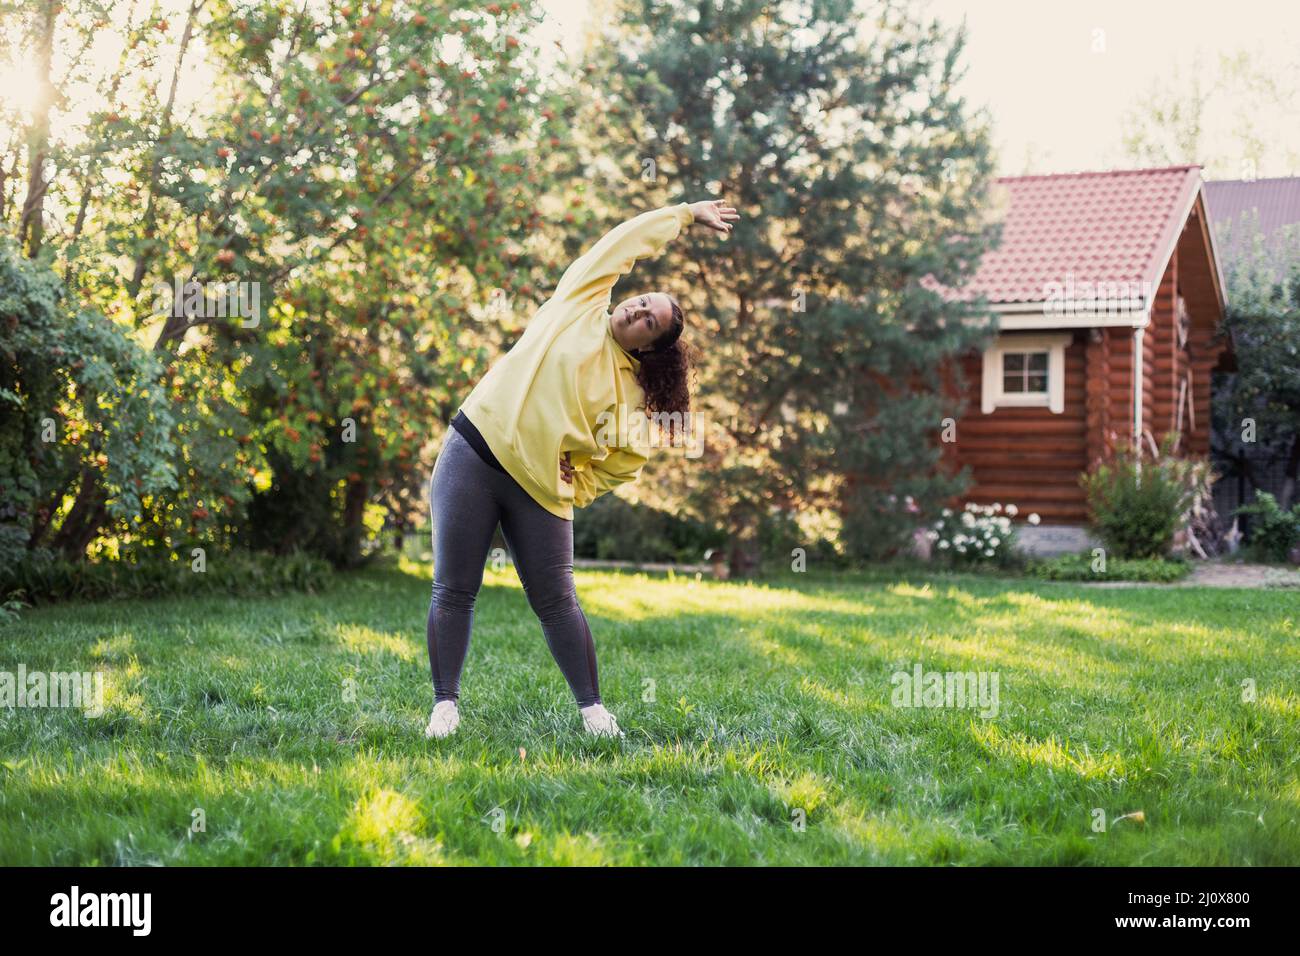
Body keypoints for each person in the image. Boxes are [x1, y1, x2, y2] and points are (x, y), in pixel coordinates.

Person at [424, 198, 740, 738]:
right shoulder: (580, 302)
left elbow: (625, 462)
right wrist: (685, 214)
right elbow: (623, 244)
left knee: (556, 601)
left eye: (649, 321)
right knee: (454, 589)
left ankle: (594, 712)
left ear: (651, 347)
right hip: (472, 453)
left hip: (542, 490)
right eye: (641, 302)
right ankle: (444, 707)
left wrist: (581, 481)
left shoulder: (633, 393)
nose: (636, 312)